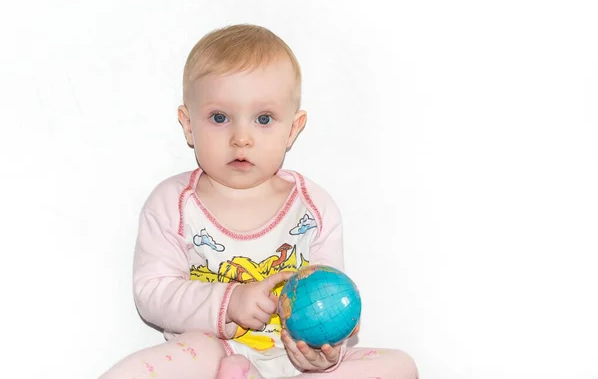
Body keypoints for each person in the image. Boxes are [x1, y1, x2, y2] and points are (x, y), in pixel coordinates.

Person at [100, 24, 418, 379]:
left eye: (263, 119)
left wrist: (327, 352)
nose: (241, 138)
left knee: (398, 366)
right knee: (169, 360)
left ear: (293, 129)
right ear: (189, 125)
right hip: (214, 352)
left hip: (293, 358)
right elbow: (152, 291)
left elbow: (328, 294)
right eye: (219, 118)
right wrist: (229, 302)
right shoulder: (173, 204)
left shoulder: (313, 208)